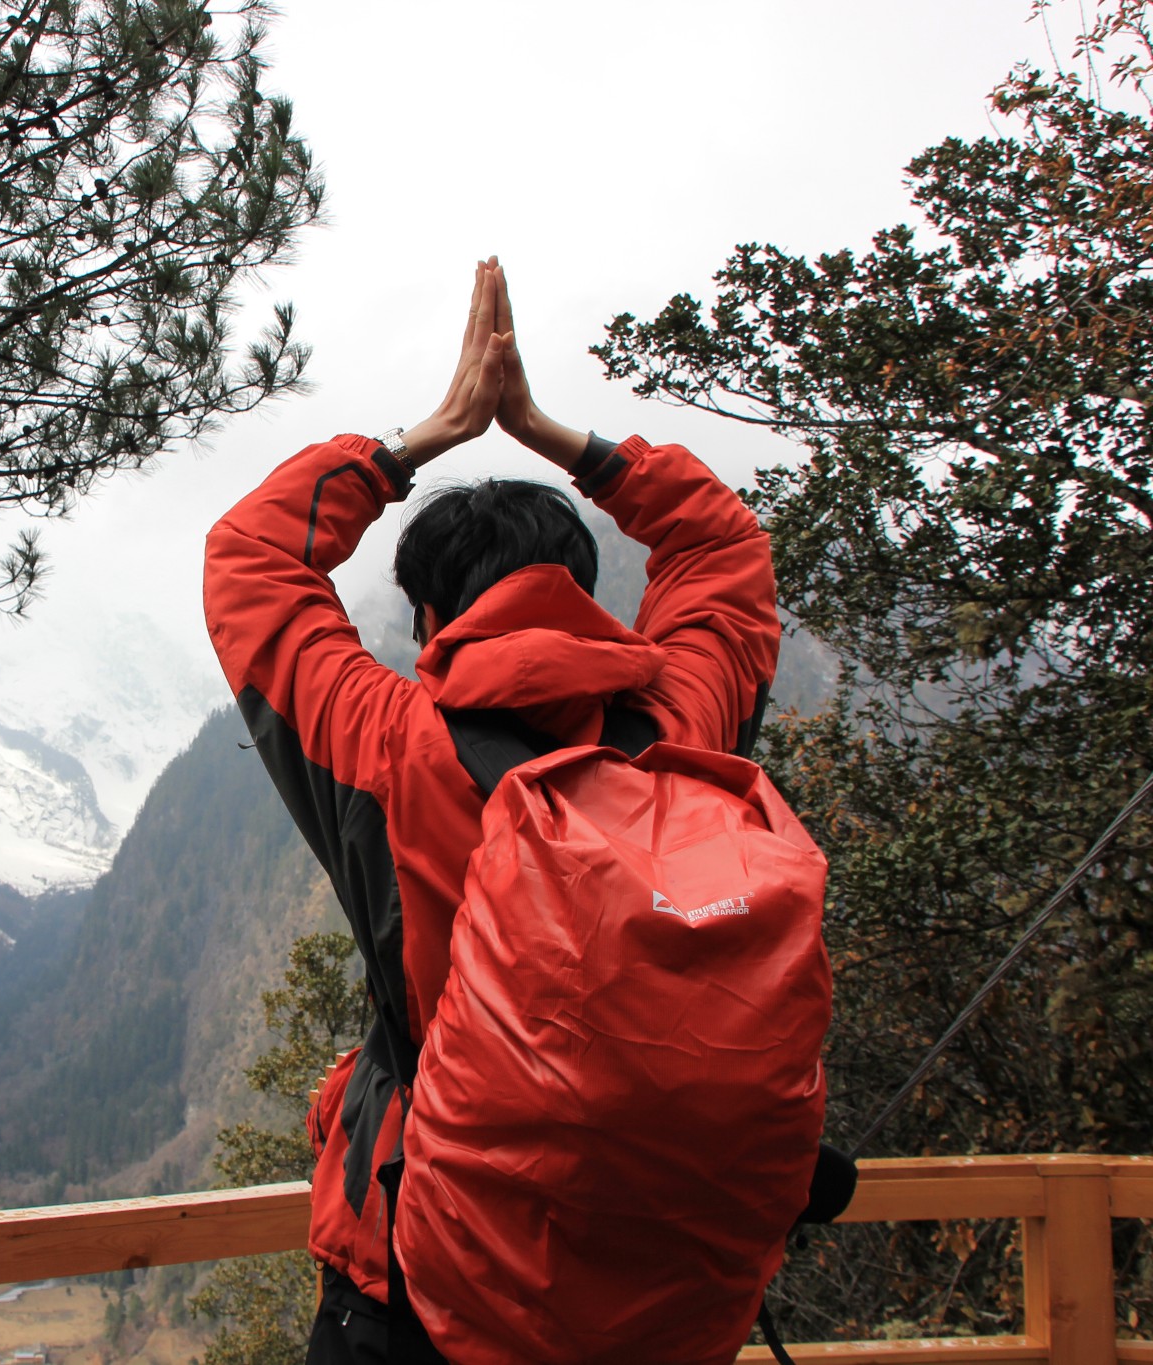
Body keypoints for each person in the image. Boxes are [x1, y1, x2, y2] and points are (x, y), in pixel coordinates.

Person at [201, 258, 782, 1362]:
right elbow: (722, 548)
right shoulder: (682, 732)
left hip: (419, 1285)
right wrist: (559, 437)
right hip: (647, 1288)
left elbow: (249, 555)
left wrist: (426, 436)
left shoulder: (390, 745)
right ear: (585, 598)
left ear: (425, 619)